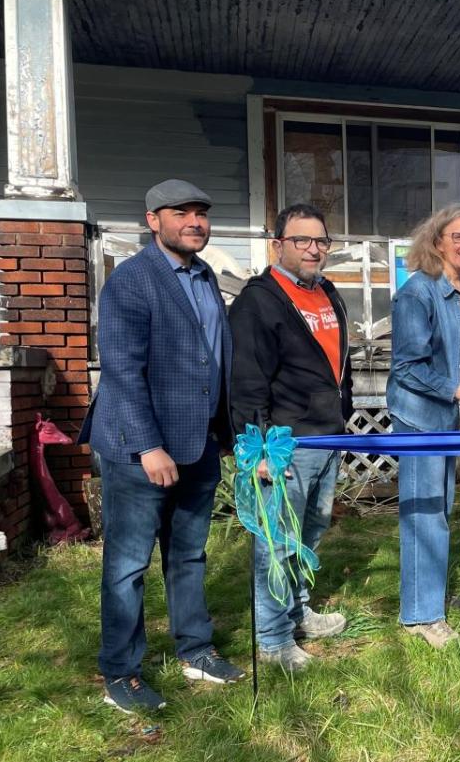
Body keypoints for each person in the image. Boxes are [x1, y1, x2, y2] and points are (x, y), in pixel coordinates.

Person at [80, 179, 245, 714]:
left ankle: (195, 648)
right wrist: (149, 447)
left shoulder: (205, 278)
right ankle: (120, 671)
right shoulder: (131, 281)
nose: (195, 221)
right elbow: (122, 372)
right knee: (128, 564)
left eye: (201, 212)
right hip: (139, 448)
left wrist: (223, 434)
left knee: (189, 553)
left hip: (197, 445)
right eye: (181, 213)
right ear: (153, 220)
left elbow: (212, 362)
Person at [229, 203, 354, 671]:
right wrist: (256, 448)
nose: (313, 249)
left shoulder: (327, 293)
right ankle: (274, 638)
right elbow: (246, 379)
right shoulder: (258, 301)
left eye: (321, 241)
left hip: (328, 437)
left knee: (310, 532)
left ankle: (297, 610)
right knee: (277, 540)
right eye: (301, 240)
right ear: (277, 244)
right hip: (284, 443)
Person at [386, 203, 460, 648]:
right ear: (437, 242)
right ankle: (421, 615)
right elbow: (406, 367)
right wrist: (457, 391)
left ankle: (430, 596)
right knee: (425, 513)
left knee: (441, 510)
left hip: (446, 416)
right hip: (418, 418)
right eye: (458, 236)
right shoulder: (417, 293)